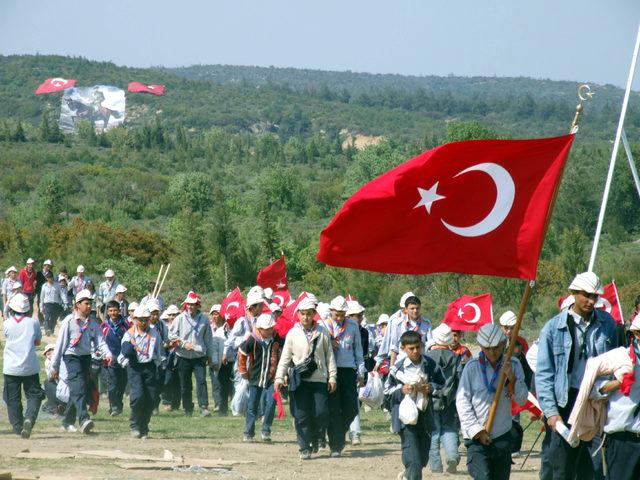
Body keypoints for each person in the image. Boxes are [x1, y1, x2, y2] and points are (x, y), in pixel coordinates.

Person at [536, 272, 620, 480]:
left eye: (595, 296)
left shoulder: (608, 324)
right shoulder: (552, 328)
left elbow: (617, 360)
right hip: (566, 402)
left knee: (592, 468)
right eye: (586, 295)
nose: (591, 301)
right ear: (573, 293)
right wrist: (551, 413)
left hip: (595, 402)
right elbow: (544, 374)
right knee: (563, 468)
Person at [456, 323, 528, 480]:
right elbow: (462, 402)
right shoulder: (471, 368)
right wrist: (477, 431)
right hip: (476, 438)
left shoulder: (514, 365)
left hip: (502, 436)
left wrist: (512, 379)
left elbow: (522, 399)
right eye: (487, 348)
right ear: (481, 346)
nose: (492, 352)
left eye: (496, 347)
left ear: (503, 344)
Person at [274, 295, 337, 460]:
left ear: (314, 314)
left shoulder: (322, 332)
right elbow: (285, 357)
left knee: (321, 412)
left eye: (309, 313)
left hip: (319, 379)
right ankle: (304, 447)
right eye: (302, 313)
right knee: (301, 415)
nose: (306, 317)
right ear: (298, 314)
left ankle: (317, 436)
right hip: (299, 380)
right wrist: (279, 377)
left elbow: (329, 356)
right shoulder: (293, 333)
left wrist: (332, 377)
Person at [385, 330, 445, 480]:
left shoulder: (430, 365)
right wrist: (401, 391)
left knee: (423, 457)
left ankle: (408, 474)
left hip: (425, 416)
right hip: (405, 419)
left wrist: (431, 388)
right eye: (411, 348)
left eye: (418, 347)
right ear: (403, 348)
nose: (415, 351)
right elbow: (386, 393)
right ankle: (411, 474)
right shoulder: (397, 369)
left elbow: (443, 384)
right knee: (413, 458)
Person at [50, 289, 112, 433]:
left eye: (90, 303)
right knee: (78, 386)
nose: (89, 306)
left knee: (80, 389)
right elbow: (60, 344)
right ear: (77, 304)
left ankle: (67, 421)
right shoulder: (69, 321)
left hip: (85, 358)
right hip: (71, 357)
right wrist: (55, 365)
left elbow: (100, 341)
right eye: (86, 303)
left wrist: (107, 353)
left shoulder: (92, 323)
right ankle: (84, 419)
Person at [587, 315, 640, 479]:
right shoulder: (619, 357)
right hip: (623, 440)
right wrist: (618, 382)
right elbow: (593, 389)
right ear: (637, 334)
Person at [320, 296, 366, 455]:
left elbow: (358, 351)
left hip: (348, 370)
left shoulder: (353, 326)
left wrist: (361, 372)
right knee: (333, 408)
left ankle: (338, 434)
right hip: (330, 371)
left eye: (342, 314)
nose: (339, 318)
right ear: (330, 311)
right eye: (336, 314)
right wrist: (328, 342)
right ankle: (336, 444)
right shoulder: (323, 326)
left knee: (352, 409)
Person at [3, 293, 45, 438]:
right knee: (34, 395)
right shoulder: (33, 323)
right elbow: (38, 342)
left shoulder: (7, 323)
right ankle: (29, 418)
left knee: (12, 398)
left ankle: (18, 426)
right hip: (30, 367)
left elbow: (8, 337)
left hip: (11, 368)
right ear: (28, 309)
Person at [168, 291, 217, 417]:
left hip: (199, 355)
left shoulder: (204, 319)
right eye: (188, 304)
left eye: (193, 304)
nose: (190, 307)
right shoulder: (179, 318)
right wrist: (184, 344)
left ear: (198, 305)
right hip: (183, 355)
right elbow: (171, 335)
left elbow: (208, 339)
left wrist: (210, 355)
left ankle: (204, 407)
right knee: (185, 383)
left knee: (201, 381)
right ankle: (187, 408)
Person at [119, 304, 164, 439]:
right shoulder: (129, 335)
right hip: (135, 368)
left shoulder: (154, 333)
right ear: (135, 319)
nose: (143, 323)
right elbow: (122, 355)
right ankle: (134, 424)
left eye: (146, 319)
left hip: (149, 367)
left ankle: (144, 427)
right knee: (138, 397)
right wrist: (128, 364)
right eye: (140, 320)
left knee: (150, 398)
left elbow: (159, 352)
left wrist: (158, 365)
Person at [426, 324, 464, 474]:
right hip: (450, 400)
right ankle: (452, 456)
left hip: (430, 400)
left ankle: (435, 465)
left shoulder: (427, 358)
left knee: (433, 432)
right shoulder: (455, 358)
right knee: (449, 428)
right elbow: (460, 380)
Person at [237, 313, 281, 442]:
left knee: (271, 403)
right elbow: (242, 352)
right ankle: (248, 433)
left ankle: (266, 430)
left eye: (271, 328)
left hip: (272, 378)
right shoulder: (252, 339)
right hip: (255, 378)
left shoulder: (276, 339)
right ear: (260, 329)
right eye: (266, 329)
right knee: (252, 406)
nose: (269, 330)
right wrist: (243, 371)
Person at [100, 300, 130, 416]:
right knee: (112, 384)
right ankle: (114, 407)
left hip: (123, 359)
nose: (113, 313)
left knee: (122, 383)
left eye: (115, 310)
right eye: (111, 311)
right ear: (107, 311)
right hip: (109, 359)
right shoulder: (104, 326)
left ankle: (118, 404)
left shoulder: (126, 325)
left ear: (120, 310)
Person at [388, 296, 433, 368]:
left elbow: (430, 345)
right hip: (403, 363)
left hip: (421, 363)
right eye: (412, 308)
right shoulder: (398, 324)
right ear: (406, 309)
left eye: (417, 308)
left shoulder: (426, 323)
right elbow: (394, 347)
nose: (415, 311)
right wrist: (392, 367)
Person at [499, 310, 533, 389]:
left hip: (517, 383)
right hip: (499, 383)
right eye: (506, 327)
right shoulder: (496, 343)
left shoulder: (521, 342)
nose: (509, 331)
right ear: (501, 326)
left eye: (512, 328)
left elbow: (528, 366)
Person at [161, 305, 181, 411]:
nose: (173, 317)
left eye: (175, 314)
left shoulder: (182, 326)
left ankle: (176, 402)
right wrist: (169, 344)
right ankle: (167, 402)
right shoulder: (164, 327)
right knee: (167, 379)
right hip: (168, 355)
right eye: (171, 315)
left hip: (180, 355)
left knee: (178, 380)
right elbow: (162, 343)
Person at [39, 271, 64, 336]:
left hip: (55, 304)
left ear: (52, 277)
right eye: (48, 277)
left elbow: (61, 294)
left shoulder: (57, 285)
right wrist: (41, 306)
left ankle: (51, 330)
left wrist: (64, 302)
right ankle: (47, 329)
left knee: (54, 318)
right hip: (47, 303)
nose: (49, 279)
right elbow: (42, 297)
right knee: (47, 317)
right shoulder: (44, 286)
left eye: (50, 277)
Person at [36, 259, 54, 324]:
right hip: (39, 291)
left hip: (47, 291)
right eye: (47, 266)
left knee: (46, 304)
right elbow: (36, 282)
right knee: (40, 304)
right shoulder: (39, 272)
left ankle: (47, 319)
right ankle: (41, 320)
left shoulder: (50, 273)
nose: (48, 267)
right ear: (44, 266)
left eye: (49, 266)